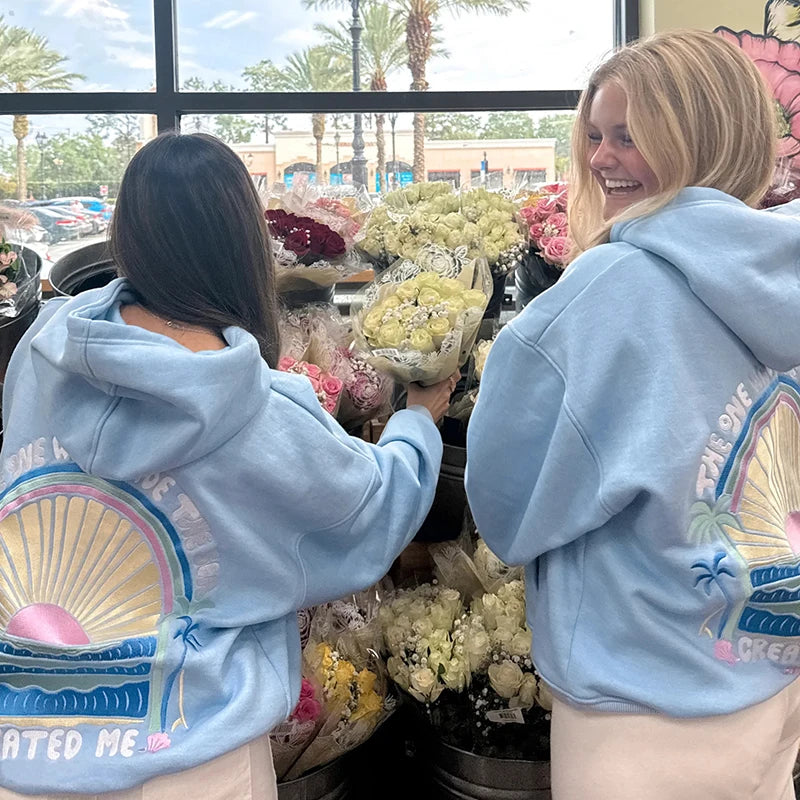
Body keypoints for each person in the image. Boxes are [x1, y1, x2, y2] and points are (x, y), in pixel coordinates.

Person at [0, 131, 456, 799]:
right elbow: (372, 511)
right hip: (192, 757)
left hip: (28, 747)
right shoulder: (257, 405)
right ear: (245, 243)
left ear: (128, 232)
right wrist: (417, 420)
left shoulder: (43, 349)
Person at [466, 29, 800, 800]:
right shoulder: (779, 268)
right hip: (767, 672)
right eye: (595, 135)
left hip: (639, 710)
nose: (600, 159)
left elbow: (508, 511)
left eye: (630, 136)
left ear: (699, 139)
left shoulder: (607, 292)